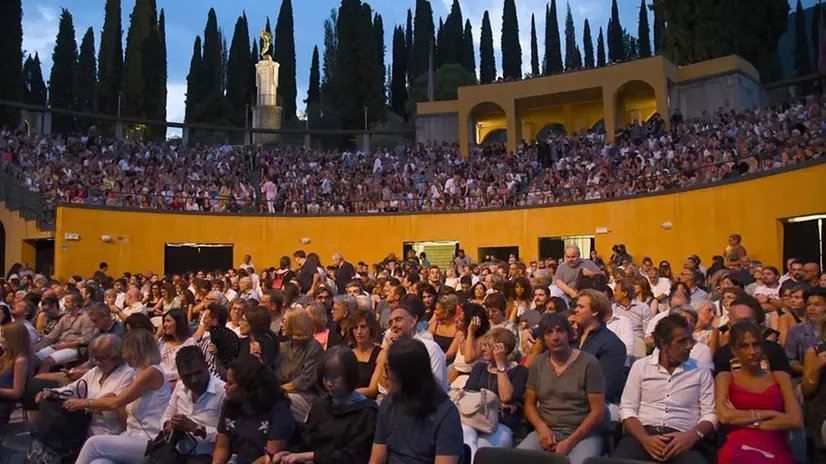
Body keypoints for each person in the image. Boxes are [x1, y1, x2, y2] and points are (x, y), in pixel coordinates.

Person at [613, 315, 717, 464]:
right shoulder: (641, 367)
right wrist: (645, 439)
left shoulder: (701, 371)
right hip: (642, 436)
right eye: (682, 341)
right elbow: (628, 408)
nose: (689, 346)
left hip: (684, 440)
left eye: (690, 340)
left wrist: (693, 435)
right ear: (664, 344)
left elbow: (710, 415)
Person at [72, 329, 172, 464]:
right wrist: (111, 397)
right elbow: (125, 410)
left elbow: (116, 403)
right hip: (132, 435)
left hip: (150, 441)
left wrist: (85, 403)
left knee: (93, 444)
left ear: (135, 350)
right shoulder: (140, 372)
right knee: (100, 462)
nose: (123, 356)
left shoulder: (151, 373)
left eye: (125, 351)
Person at [519, 313, 606, 464]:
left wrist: (570, 442)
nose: (555, 337)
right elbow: (529, 404)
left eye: (560, 331)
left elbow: (597, 412)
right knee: (515, 460)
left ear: (569, 334)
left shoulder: (589, 363)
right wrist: (541, 428)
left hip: (583, 434)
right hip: (547, 431)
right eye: (549, 333)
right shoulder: (538, 363)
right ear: (543, 339)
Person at [716, 321, 801, 463]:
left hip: (775, 446)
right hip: (738, 446)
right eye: (744, 346)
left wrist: (748, 421)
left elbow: (795, 420)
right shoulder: (725, 377)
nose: (752, 352)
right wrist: (772, 414)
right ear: (734, 350)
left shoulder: (780, 377)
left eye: (756, 344)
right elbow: (724, 417)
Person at [368, 338, 464, 464]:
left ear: (407, 374)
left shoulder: (446, 414)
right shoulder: (389, 403)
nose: (384, 375)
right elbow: (377, 459)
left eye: (388, 368)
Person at [279, 346, 379, 464]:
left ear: (350, 375)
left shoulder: (367, 413)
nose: (328, 383)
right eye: (325, 377)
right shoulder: (320, 406)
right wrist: (286, 455)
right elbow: (306, 441)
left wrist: (312, 457)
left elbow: (355, 456)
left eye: (334, 378)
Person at [212, 358, 296, 464]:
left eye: (230, 383)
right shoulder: (230, 405)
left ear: (248, 388)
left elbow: (270, 458)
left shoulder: (279, 411)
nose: (225, 386)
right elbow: (222, 447)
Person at [462, 328, 528, 461]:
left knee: (483, 450)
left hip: (500, 424)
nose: (484, 348)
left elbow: (506, 397)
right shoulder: (479, 368)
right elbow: (468, 395)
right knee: (465, 437)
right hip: (474, 419)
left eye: (489, 345)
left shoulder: (519, 371)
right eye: (484, 344)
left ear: (503, 349)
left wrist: (500, 365)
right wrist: (496, 403)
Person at [160, 346, 226, 458]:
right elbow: (165, 417)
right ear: (179, 375)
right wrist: (169, 424)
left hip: (207, 456)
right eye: (187, 376)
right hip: (176, 453)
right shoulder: (180, 386)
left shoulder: (223, 392)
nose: (194, 380)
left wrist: (197, 428)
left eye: (197, 373)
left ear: (206, 366)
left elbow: (227, 438)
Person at [385, 294, 447, 390]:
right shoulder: (391, 347)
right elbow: (384, 387)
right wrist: (390, 351)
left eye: (398, 320)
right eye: (391, 322)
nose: (394, 325)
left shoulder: (430, 348)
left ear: (413, 321)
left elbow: (436, 386)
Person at [279, 309, 324, 422]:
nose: (280, 325)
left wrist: (276, 390)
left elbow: (304, 382)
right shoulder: (283, 347)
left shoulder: (314, 348)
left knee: (280, 401)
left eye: (284, 321)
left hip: (306, 397)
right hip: (283, 392)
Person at [0, 322, 35, 425]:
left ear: (12, 339)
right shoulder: (6, 355)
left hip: (4, 402)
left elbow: (17, 393)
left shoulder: (21, 361)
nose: (1, 340)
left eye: (3, 337)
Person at [157, 308, 196, 384]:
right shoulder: (162, 341)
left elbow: (187, 368)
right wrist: (157, 335)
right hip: (157, 378)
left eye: (168, 321)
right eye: (164, 321)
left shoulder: (189, 343)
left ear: (178, 323)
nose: (164, 325)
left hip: (174, 382)